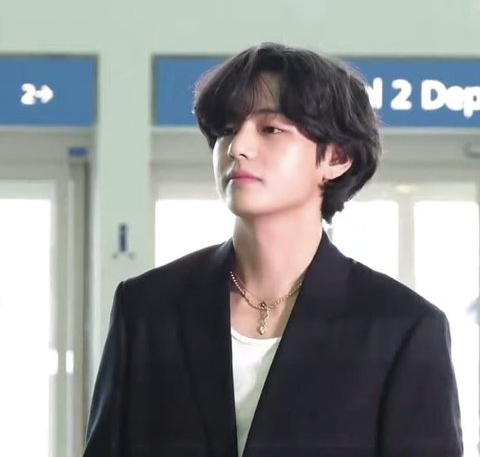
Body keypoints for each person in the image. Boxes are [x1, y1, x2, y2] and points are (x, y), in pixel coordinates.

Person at [83, 43, 463, 456]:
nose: (237, 147)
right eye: (228, 129)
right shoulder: (147, 308)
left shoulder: (401, 327)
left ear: (337, 157)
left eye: (271, 129)